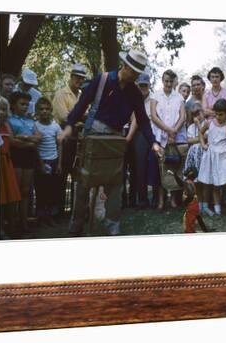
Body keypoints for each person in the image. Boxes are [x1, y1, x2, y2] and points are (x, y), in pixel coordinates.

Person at [59, 49, 164, 236]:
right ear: (124, 66)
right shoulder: (102, 80)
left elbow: (143, 120)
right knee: (83, 182)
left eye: (139, 73)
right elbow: (81, 104)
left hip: (116, 139)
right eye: (134, 72)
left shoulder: (134, 93)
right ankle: (76, 224)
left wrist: (154, 142)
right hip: (93, 135)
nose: (136, 76)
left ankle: (112, 226)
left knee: (116, 183)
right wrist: (69, 125)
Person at [52, 63, 88, 218]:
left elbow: (85, 115)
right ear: (71, 77)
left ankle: (74, 211)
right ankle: (58, 211)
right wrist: (80, 118)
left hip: (78, 137)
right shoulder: (61, 94)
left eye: (82, 78)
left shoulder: (81, 96)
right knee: (61, 174)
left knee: (76, 175)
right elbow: (64, 117)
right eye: (77, 77)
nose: (79, 81)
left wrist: (78, 118)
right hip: (65, 137)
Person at [198, 99, 226, 217]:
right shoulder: (209, 123)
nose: (218, 117)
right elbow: (201, 133)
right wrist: (203, 144)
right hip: (211, 155)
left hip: (223, 156)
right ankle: (217, 210)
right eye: (216, 114)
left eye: (221, 114)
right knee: (215, 182)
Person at [150, 69, 187, 209]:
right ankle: (160, 200)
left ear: (174, 82)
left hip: (174, 138)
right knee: (160, 168)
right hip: (160, 137)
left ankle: (173, 199)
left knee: (175, 167)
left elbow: (182, 116)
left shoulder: (179, 97)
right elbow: (153, 116)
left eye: (171, 81)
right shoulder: (155, 96)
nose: (168, 84)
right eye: (166, 81)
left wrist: (174, 131)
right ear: (162, 80)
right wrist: (168, 130)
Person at [7, 91, 41, 234]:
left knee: (26, 190)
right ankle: (12, 223)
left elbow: (38, 137)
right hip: (16, 157)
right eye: (22, 104)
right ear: (14, 105)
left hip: (29, 157)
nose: (25, 107)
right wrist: (30, 141)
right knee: (15, 191)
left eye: (27, 104)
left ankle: (24, 221)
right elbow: (12, 141)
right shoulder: (9, 120)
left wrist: (24, 137)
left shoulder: (31, 121)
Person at [124, 72, 153, 209]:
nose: (142, 88)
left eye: (145, 85)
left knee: (140, 166)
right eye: (140, 85)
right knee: (128, 167)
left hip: (143, 133)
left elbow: (138, 120)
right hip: (128, 131)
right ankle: (128, 200)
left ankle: (142, 199)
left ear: (149, 85)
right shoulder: (131, 97)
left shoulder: (153, 100)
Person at [33, 97, 63, 226]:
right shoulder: (35, 126)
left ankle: (51, 215)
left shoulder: (55, 126)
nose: (44, 111)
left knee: (52, 190)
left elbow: (60, 145)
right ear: (37, 111)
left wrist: (60, 163)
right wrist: (40, 164)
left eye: (46, 109)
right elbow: (35, 147)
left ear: (51, 110)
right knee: (41, 190)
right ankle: (41, 216)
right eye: (41, 109)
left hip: (54, 160)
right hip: (41, 160)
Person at [0, 96, 22, 239]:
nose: (1, 112)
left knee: (9, 198)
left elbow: (12, 142)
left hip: (7, 164)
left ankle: (10, 227)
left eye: (4, 109)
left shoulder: (6, 126)